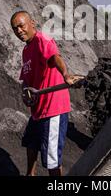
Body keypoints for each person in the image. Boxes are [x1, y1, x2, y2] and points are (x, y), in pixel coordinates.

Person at [11, 11, 76, 176]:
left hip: (53, 108)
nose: (19, 31)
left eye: (21, 25)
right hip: (38, 109)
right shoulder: (26, 51)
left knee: (52, 158)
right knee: (31, 142)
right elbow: (26, 79)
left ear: (32, 23)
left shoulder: (43, 41)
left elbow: (55, 58)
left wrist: (65, 74)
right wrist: (25, 93)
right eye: (15, 28)